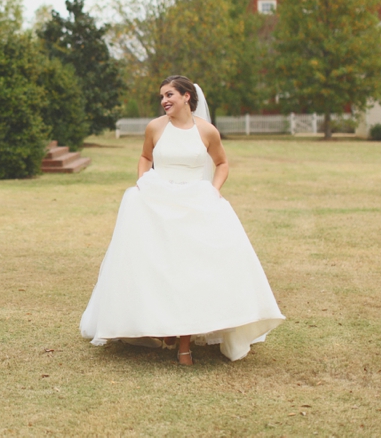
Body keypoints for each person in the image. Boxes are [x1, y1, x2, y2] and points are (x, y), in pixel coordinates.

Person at [80, 75, 284, 365]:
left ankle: (185, 341)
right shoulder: (155, 127)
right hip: (157, 201)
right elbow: (144, 156)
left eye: (169, 94)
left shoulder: (207, 131)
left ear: (187, 96)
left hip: (194, 202)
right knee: (158, 268)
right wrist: (143, 182)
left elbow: (222, 164)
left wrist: (212, 191)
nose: (164, 100)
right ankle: (162, 328)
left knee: (190, 271)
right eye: (162, 96)